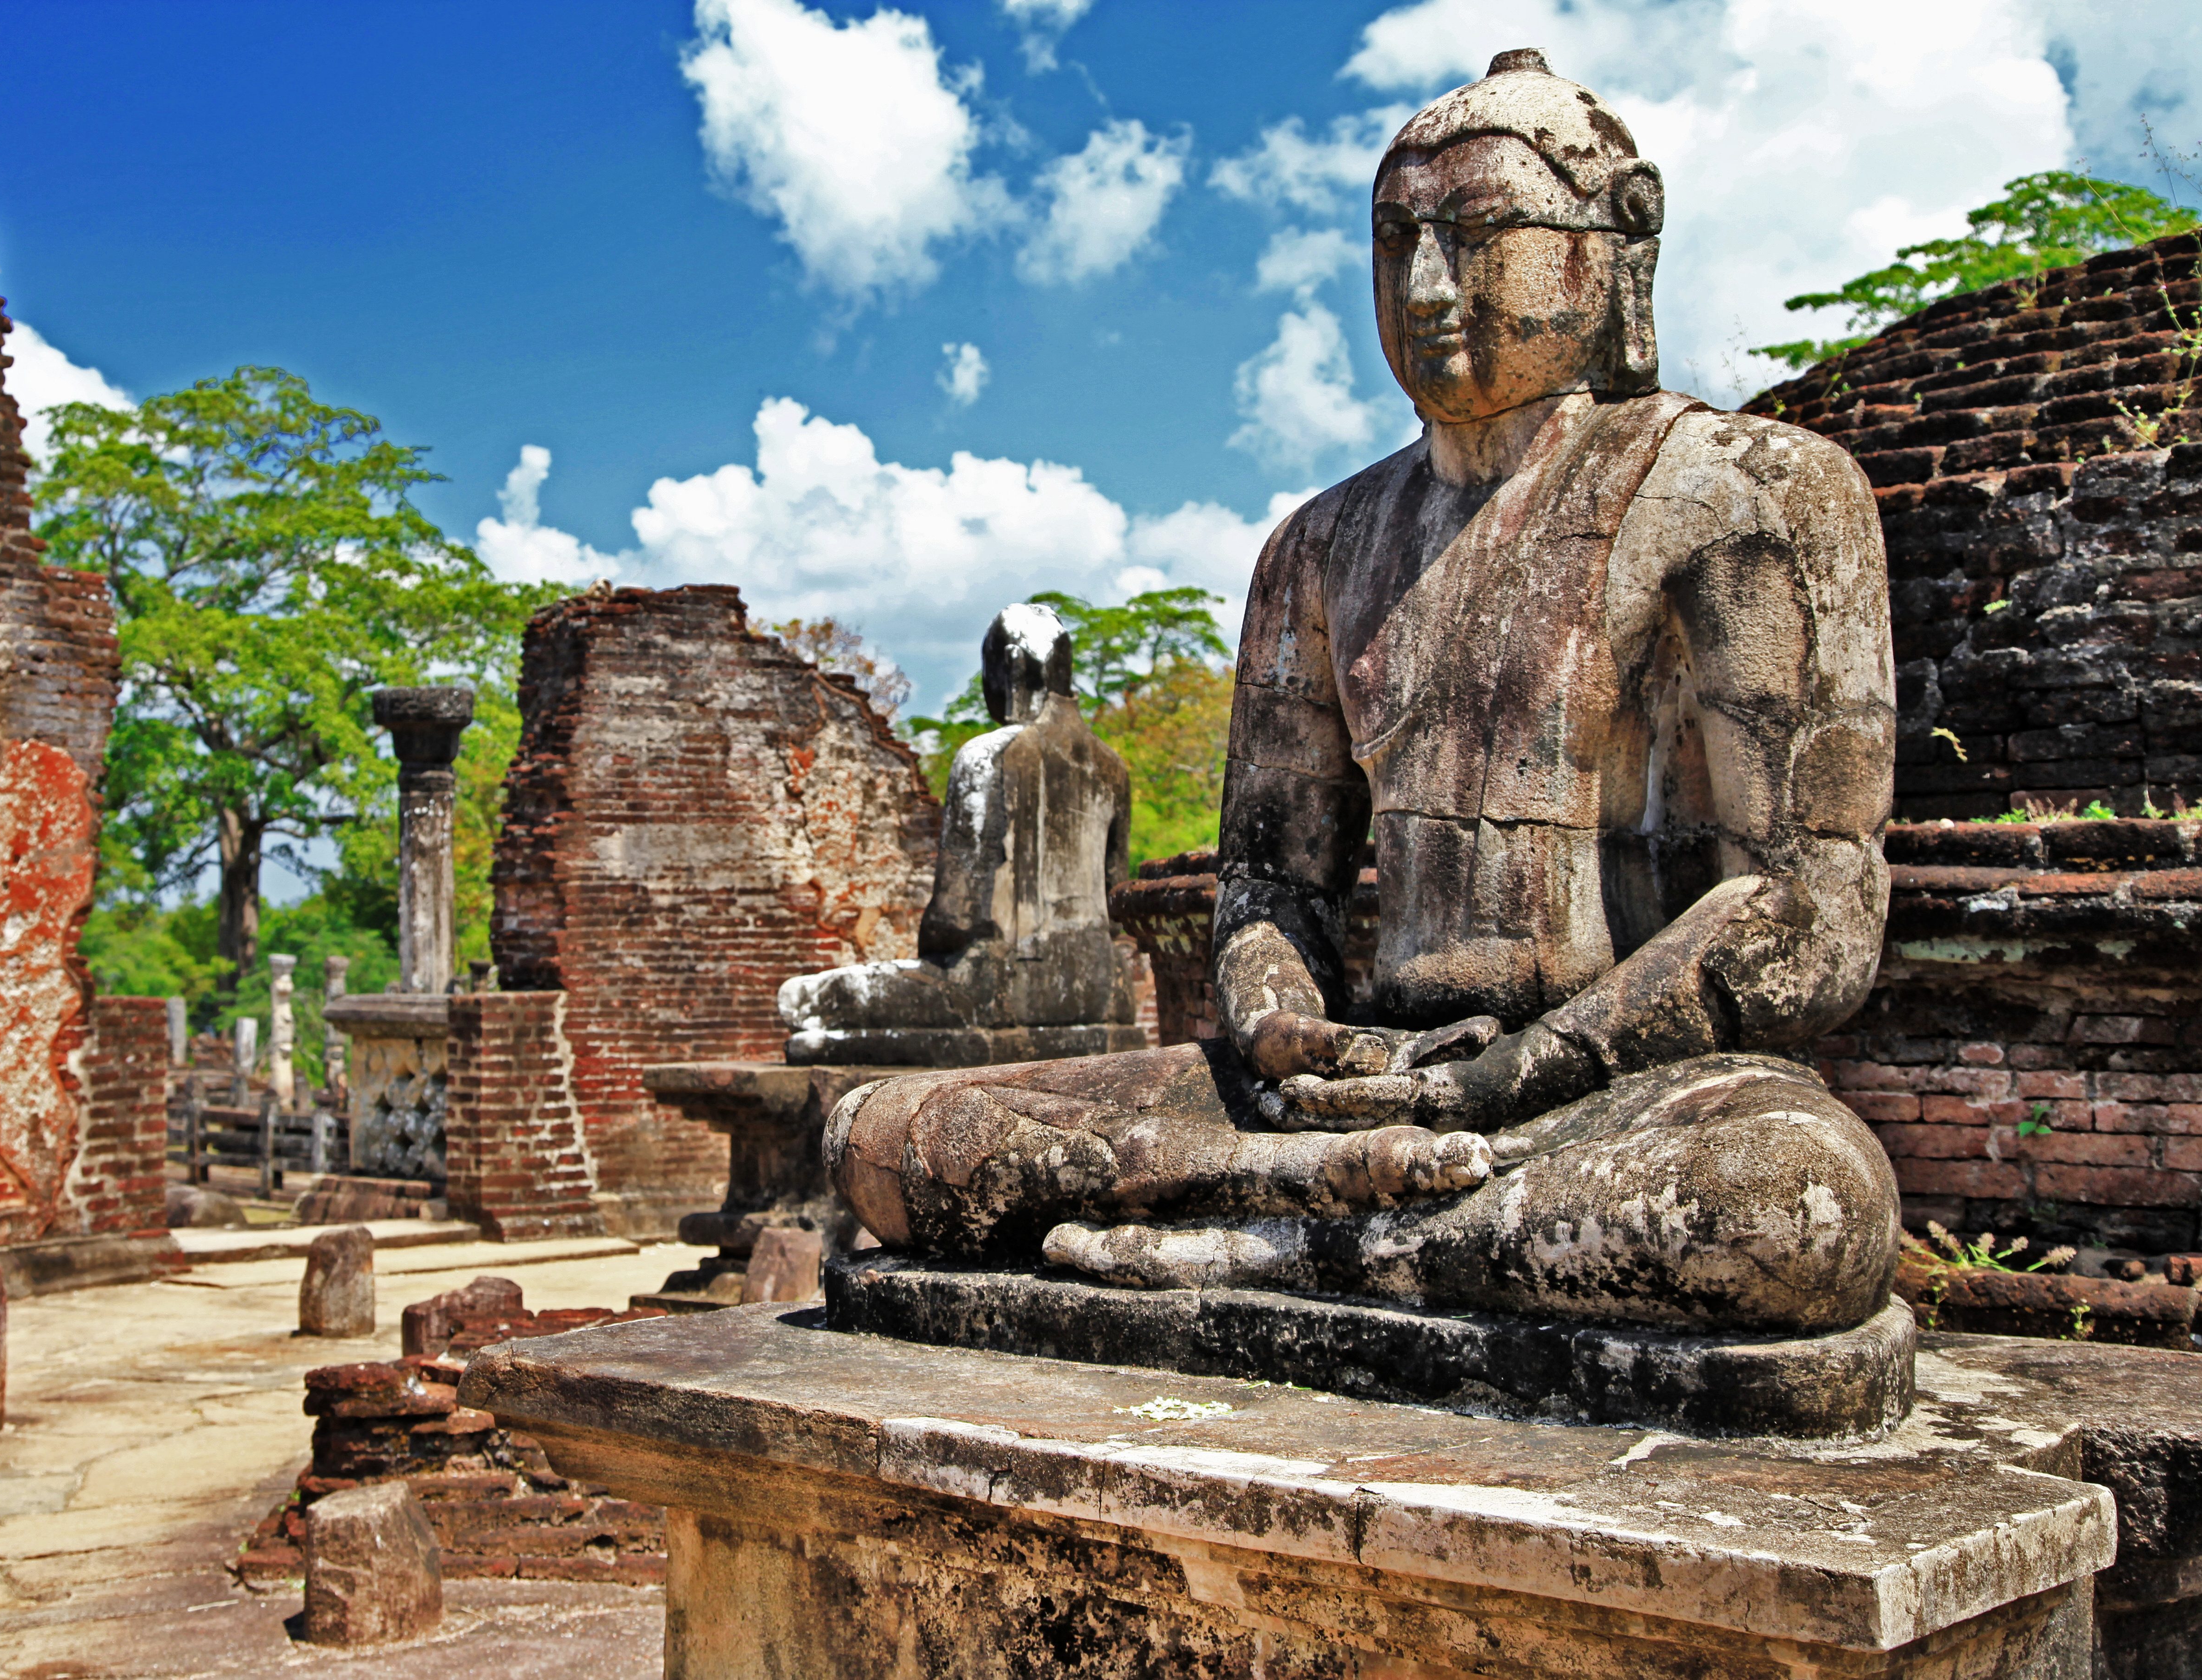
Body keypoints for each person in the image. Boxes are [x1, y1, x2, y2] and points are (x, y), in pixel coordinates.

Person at [823, 49, 1900, 1336]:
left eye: (1481, 233)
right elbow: (1270, 890)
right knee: (884, 1137)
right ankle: (1321, 1203)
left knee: (1790, 1205)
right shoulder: (1317, 546)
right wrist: (1280, 1018)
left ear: (1615, 238)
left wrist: (1508, 1077)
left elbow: (1805, 914)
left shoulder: (1747, 494)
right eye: (1394, 242)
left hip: (1606, 1088)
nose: (1429, 286)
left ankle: (1276, 1237)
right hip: (1356, 1084)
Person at [778, 602, 1137, 1066]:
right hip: (1099, 989)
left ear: (1008, 664)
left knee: (802, 1000)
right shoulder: (1111, 768)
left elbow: (956, 916)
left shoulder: (989, 756)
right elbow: (1115, 911)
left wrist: (932, 949)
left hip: (997, 988)